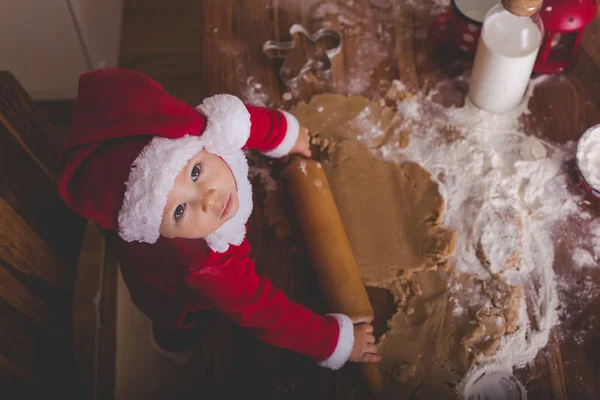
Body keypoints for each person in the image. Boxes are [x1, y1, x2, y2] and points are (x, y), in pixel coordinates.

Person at [58, 68, 380, 370]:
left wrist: (285, 135)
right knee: (173, 315)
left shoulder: (208, 134)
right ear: (156, 230)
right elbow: (263, 312)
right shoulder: (209, 263)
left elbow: (245, 123)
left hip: (145, 246)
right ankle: (171, 342)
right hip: (167, 288)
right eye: (179, 211)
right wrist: (331, 342)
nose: (209, 198)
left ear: (200, 142)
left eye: (196, 171)